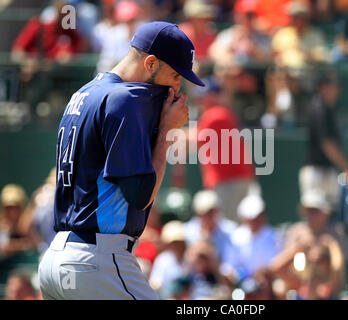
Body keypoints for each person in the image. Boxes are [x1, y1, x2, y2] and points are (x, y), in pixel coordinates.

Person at [38, 21, 205, 300]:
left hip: (56, 259)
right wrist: (166, 131)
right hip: (96, 260)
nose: (178, 87)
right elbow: (141, 196)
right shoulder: (125, 100)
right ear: (151, 63)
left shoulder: (84, 92)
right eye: (175, 76)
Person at [189, 79, 256, 222]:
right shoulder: (216, 113)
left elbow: (193, 138)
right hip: (230, 180)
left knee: (228, 224)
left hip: (230, 181)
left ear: (214, 95)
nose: (200, 100)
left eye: (204, 95)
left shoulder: (217, 114)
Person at [299, 73, 348, 210]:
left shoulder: (327, 108)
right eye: (333, 87)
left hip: (325, 171)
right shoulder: (319, 108)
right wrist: (346, 167)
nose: (337, 90)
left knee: (330, 214)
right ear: (323, 88)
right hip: (316, 173)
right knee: (314, 213)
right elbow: (327, 143)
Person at [230, 194, 282, 278]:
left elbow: (276, 265)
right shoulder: (236, 237)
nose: (255, 221)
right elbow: (231, 267)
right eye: (251, 218)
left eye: (258, 217)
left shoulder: (273, 236)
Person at [185, 190, 237, 268]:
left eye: (210, 212)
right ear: (197, 214)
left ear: (217, 211)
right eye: (203, 213)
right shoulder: (188, 231)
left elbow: (230, 266)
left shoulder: (230, 230)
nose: (207, 217)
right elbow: (187, 264)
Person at [149, 220, 187, 299]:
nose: (177, 245)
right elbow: (155, 284)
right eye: (174, 242)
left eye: (179, 242)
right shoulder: (163, 260)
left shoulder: (189, 257)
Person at [0, 184, 36, 259]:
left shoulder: (29, 223)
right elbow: (3, 247)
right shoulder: (3, 226)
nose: (12, 212)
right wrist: (21, 244)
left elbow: (37, 245)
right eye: (9, 208)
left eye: (16, 207)